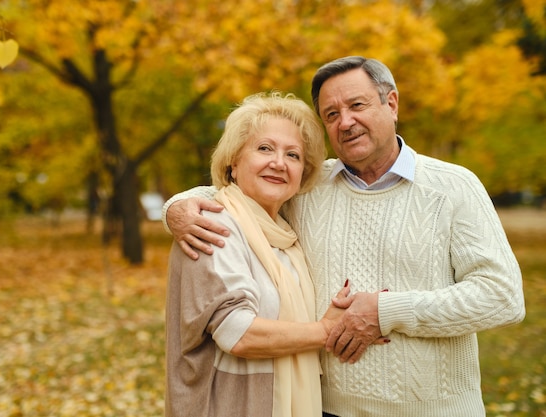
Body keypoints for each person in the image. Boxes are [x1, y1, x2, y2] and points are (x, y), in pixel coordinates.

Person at [162, 57, 526, 417]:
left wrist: (386, 311)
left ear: (392, 103)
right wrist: (177, 208)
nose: (346, 122)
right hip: (328, 408)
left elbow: (502, 296)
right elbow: (242, 190)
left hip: (435, 410)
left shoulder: (453, 187)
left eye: (357, 105)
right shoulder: (311, 185)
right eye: (331, 114)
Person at [165, 92, 384, 417]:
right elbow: (237, 333)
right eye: (264, 148)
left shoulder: (286, 235)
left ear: (302, 175)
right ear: (233, 162)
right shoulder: (214, 224)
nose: (279, 163)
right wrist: (326, 331)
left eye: (293, 155)